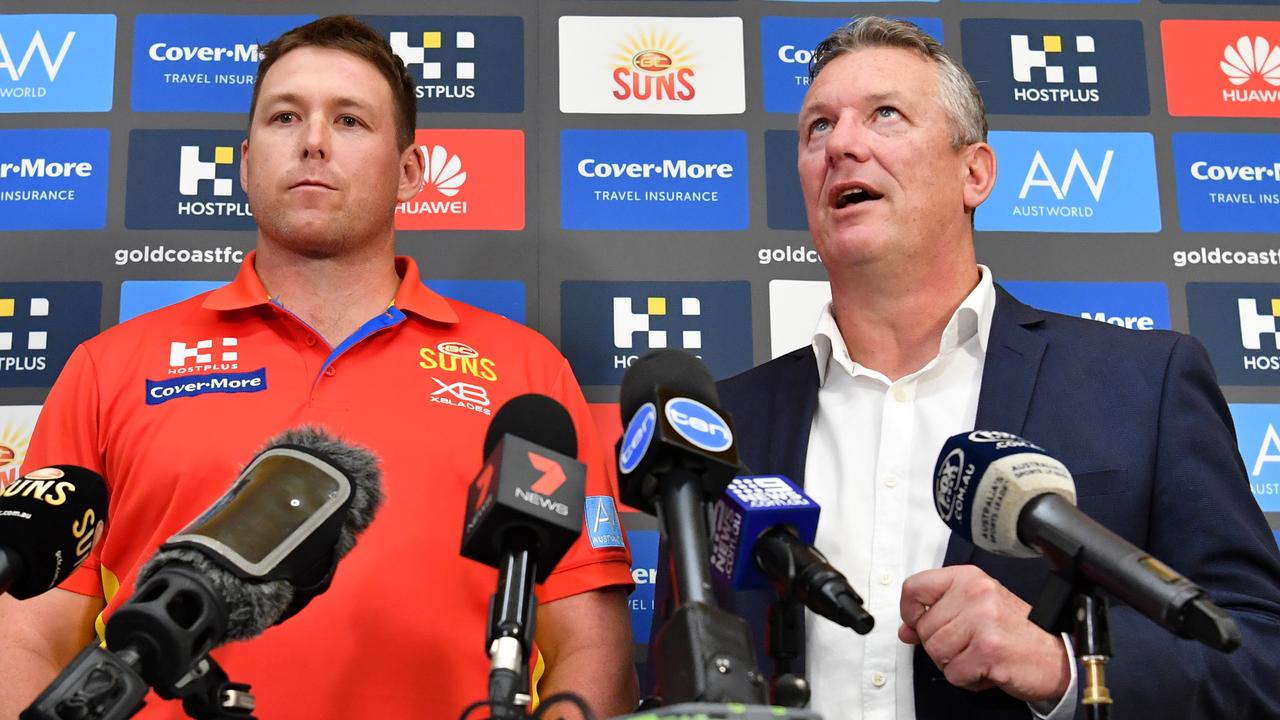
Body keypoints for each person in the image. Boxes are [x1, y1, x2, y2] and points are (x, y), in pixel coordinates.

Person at [0, 16, 638, 720]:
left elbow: (591, 641)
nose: (312, 141)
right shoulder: (109, 368)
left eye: (351, 120)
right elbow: (24, 635)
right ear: (244, 162)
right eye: (284, 116)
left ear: (409, 172)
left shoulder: (525, 371)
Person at [716, 16, 1280, 720]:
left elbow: (1259, 656)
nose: (843, 144)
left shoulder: (1144, 383)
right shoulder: (723, 424)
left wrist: (1061, 668)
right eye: (818, 128)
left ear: (975, 172)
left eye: (884, 115)